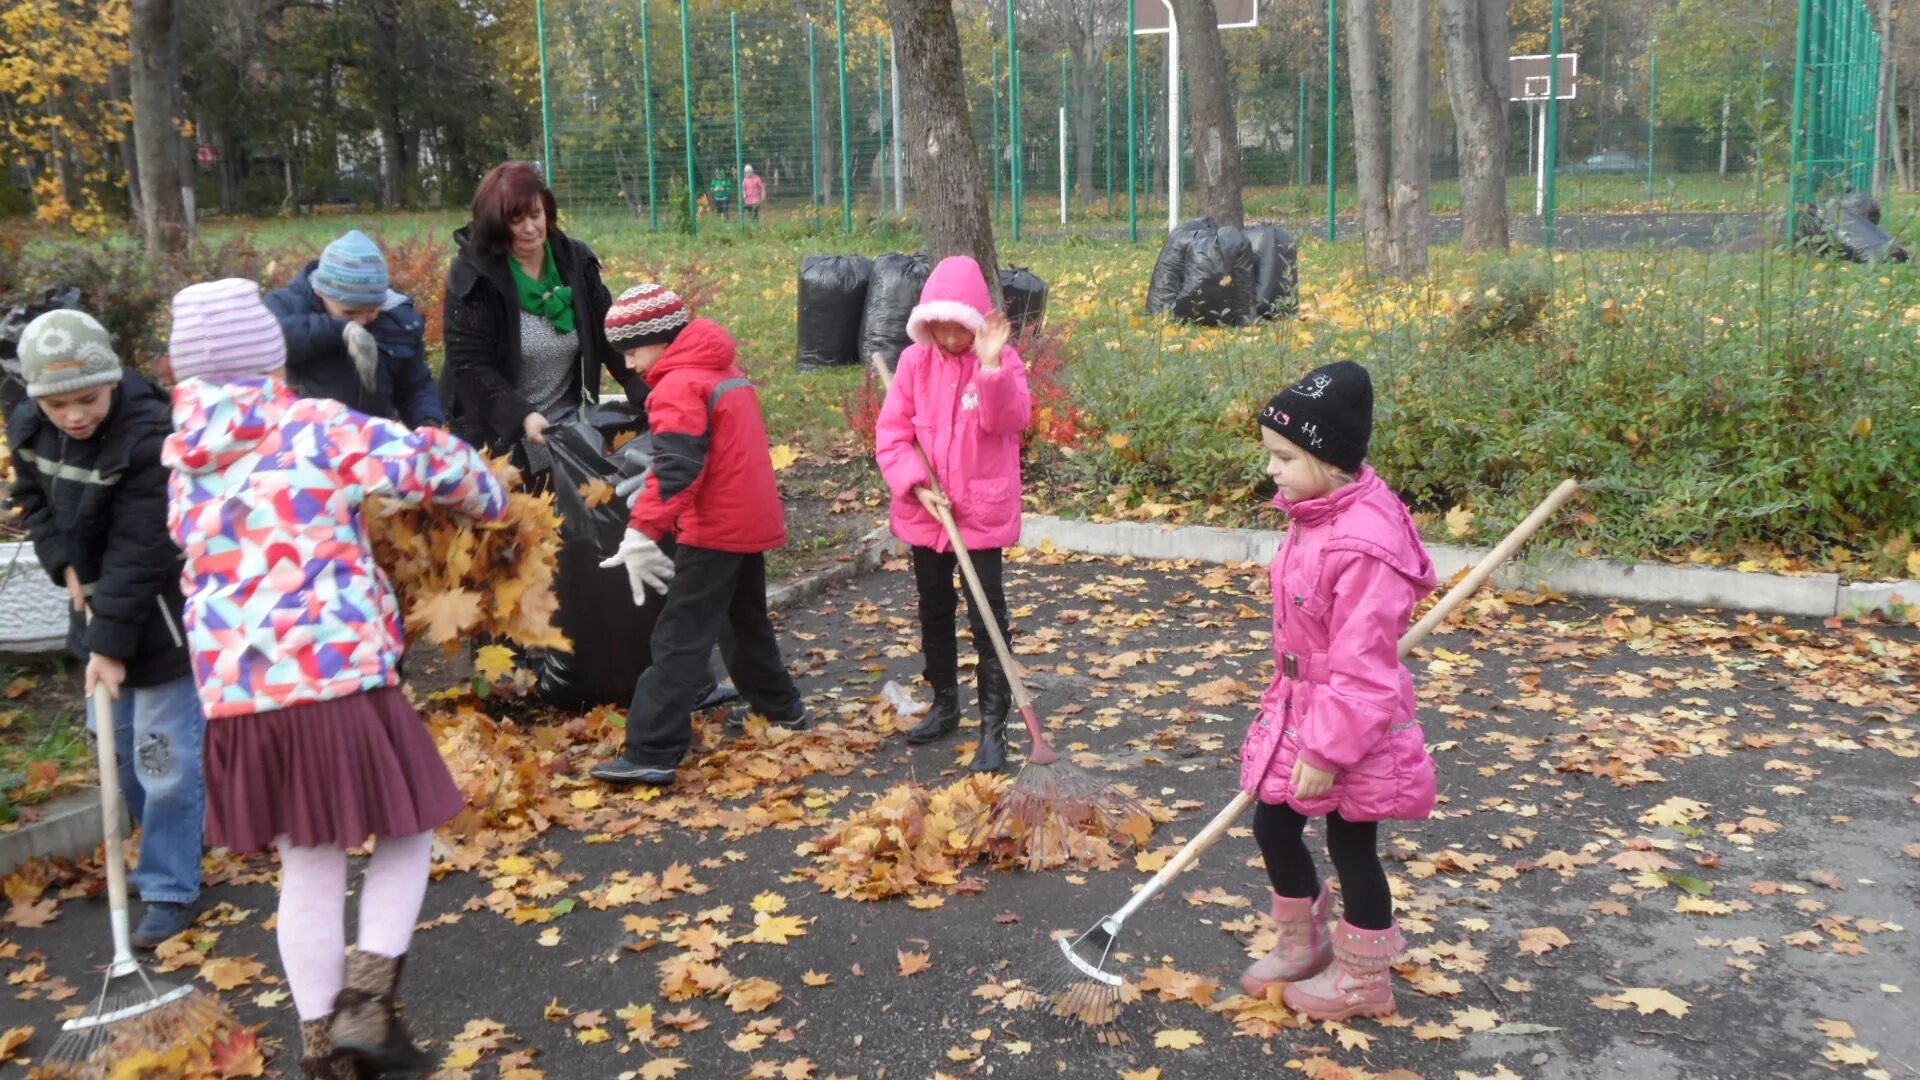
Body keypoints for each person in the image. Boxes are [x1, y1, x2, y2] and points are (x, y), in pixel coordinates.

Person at [162, 278, 508, 1078]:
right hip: (337, 675)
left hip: (240, 700)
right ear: (268, 357)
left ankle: (325, 1053)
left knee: (308, 865)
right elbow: (429, 466)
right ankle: (365, 1004)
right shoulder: (311, 424)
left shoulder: (181, 460)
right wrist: (489, 495)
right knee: (410, 829)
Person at [1235, 360, 1437, 1021]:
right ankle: (1304, 943)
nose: (1272, 469)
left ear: (1330, 458)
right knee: (1273, 821)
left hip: (1353, 724)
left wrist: (1326, 752)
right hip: (1302, 705)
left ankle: (1364, 983)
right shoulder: (1318, 512)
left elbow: (1364, 672)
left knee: (1353, 846)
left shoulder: (1363, 544)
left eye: (1284, 456)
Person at [5, 309, 207, 949]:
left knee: (164, 758)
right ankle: (178, 841)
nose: (74, 416)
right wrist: (61, 564)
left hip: (157, 616)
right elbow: (34, 501)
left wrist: (110, 649)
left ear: (113, 378)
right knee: (118, 748)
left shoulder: (150, 434)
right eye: (58, 403)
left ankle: (172, 885)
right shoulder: (31, 426)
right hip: (95, 607)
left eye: (87, 398)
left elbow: (140, 549)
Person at [589, 284, 806, 788]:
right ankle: (783, 710)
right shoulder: (721, 369)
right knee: (744, 624)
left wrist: (642, 532)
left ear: (659, 338)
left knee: (679, 637)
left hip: (714, 528)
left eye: (631, 349)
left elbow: (678, 469)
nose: (628, 363)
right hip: (749, 519)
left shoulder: (678, 385)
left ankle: (653, 749)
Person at [873, 256, 1031, 771]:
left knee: (988, 619)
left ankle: (993, 727)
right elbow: (892, 437)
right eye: (937, 325)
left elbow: (1010, 419)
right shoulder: (915, 365)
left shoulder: (1001, 363)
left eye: (957, 326)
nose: (947, 336)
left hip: (979, 513)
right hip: (928, 513)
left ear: (974, 322)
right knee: (933, 607)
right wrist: (916, 487)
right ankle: (944, 704)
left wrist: (988, 368)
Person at [441, 161, 644, 456]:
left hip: (564, 421)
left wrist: (639, 386)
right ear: (497, 224)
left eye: (535, 215)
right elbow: (469, 364)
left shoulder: (575, 261)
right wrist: (521, 415)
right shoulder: (474, 277)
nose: (530, 228)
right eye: (515, 220)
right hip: (493, 433)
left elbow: (608, 333)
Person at [264, 229, 445, 429]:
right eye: (350, 312)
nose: (362, 320)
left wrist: (428, 421)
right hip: (310, 440)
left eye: (371, 311)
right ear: (320, 291)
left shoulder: (399, 319)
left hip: (375, 440)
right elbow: (274, 338)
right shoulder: (287, 305)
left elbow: (414, 385)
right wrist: (340, 330)